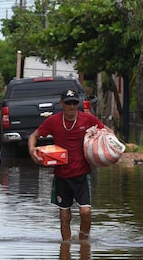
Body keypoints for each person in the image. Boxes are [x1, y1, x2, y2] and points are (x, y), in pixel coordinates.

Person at [29, 90, 109, 241]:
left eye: (74, 103)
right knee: (65, 216)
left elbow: (106, 131)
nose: (72, 106)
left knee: (85, 212)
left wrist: (113, 147)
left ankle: (84, 242)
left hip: (82, 175)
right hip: (61, 176)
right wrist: (32, 150)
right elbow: (34, 136)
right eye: (68, 103)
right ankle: (65, 249)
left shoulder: (87, 119)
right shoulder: (53, 121)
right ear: (61, 104)